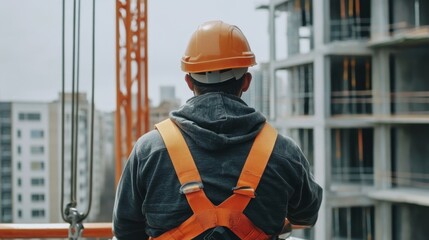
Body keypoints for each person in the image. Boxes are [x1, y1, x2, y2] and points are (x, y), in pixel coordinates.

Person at [113, 20, 323, 240]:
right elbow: (306, 215)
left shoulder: (149, 150)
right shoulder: (283, 151)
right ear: (246, 82)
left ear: (188, 81)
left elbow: (126, 230)